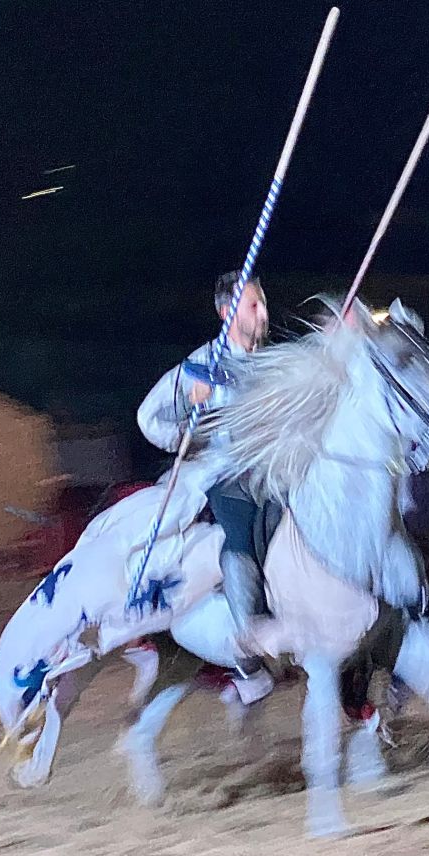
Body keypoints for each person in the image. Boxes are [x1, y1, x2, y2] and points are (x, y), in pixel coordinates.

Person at [137, 271, 274, 661]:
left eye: (263, 303)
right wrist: (187, 434)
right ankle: (247, 635)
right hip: (224, 473)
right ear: (227, 313)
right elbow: (148, 417)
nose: (264, 313)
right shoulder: (199, 367)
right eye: (254, 305)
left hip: (274, 471)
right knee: (237, 527)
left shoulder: (272, 363)